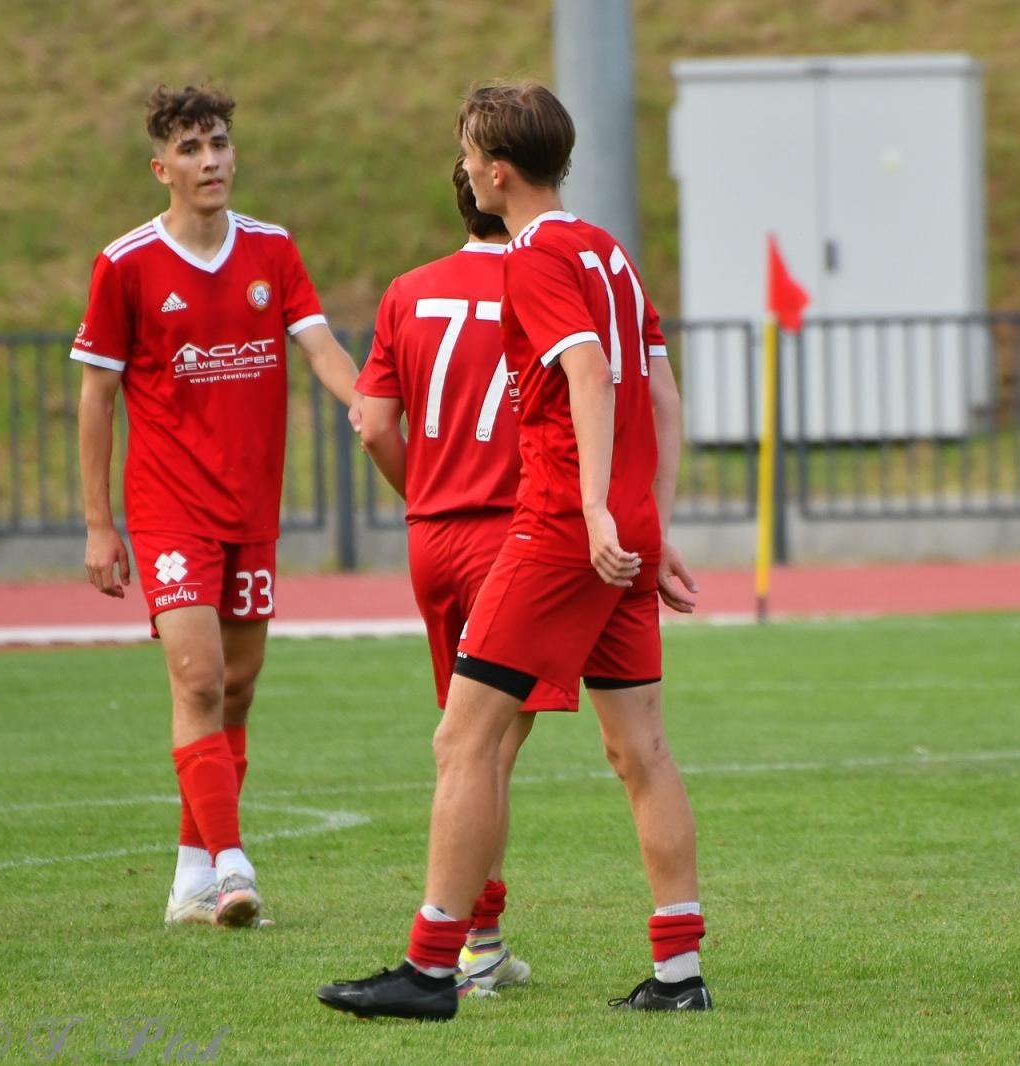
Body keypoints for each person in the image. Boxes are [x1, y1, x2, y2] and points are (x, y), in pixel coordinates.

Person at [317, 81, 706, 1021]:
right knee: (641, 748)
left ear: (494, 172)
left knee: (466, 735)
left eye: (464, 152)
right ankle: (679, 974)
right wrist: (648, 521)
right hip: (618, 532)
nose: (461, 168)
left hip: (560, 533)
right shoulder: (609, 251)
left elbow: (585, 376)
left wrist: (593, 514)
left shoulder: (532, 256)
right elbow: (661, 392)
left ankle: (431, 967)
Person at [74, 84, 361, 929]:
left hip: (251, 509)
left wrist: (366, 403)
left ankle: (190, 876)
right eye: (192, 150)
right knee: (196, 679)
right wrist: (99, 523)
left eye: (221, 144)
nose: (211, 162)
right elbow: (97, 398)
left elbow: (321, 346)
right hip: (169, 509)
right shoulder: (125, 262)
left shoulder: (272, 249)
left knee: (236, 688)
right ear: (160, 167)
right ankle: (233, 866)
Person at [355, 156, 582, 998]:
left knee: (469, 743)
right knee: (488, 749)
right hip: (515, 538)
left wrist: (427, 494)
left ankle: (476, 940)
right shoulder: (544, 276)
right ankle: (473, 945)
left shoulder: (406, 290)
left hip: (432, 539)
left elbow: (375, 425)